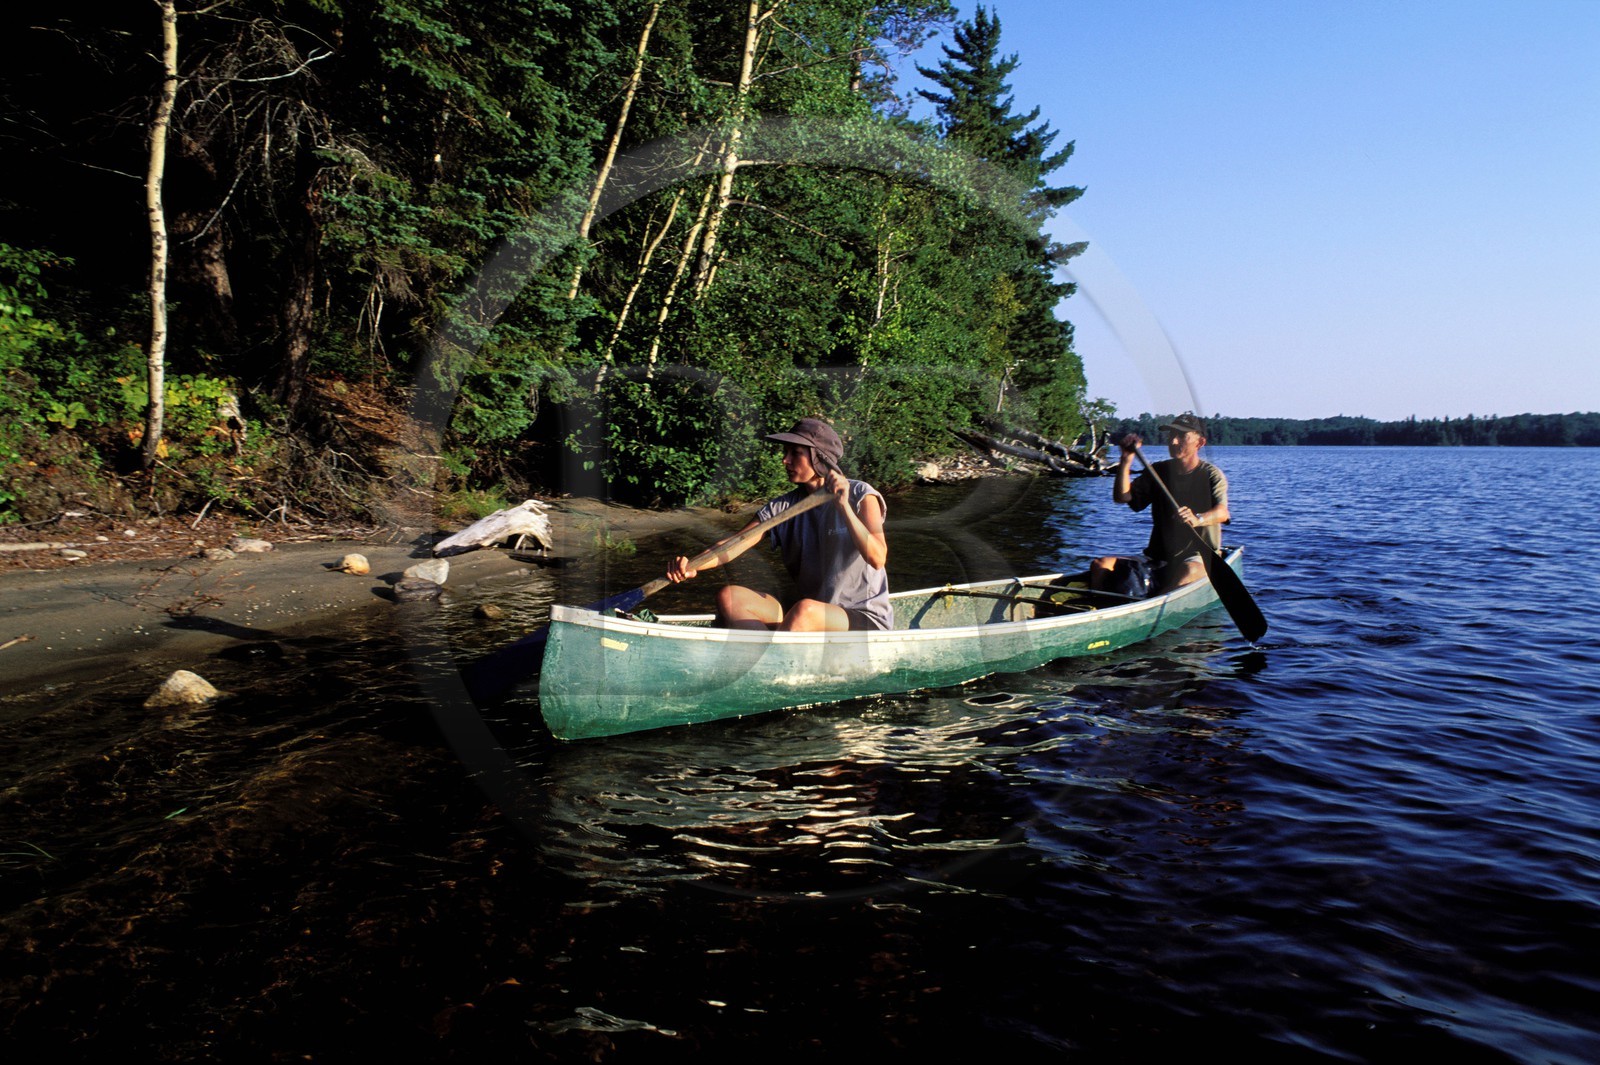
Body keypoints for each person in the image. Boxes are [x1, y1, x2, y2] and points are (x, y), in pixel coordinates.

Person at [665, 417, 893, 631]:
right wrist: (693, 565)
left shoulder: (860, 495)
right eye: (786, 452)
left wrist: (843, 506)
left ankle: (773, 660)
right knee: (730, 597)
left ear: (819, 458)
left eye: (796, 453)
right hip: (807, 614)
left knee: (805, 610)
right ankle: (763, 657)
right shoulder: (781, 508)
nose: (785, 460)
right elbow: (735, 544)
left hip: (863, 617)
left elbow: (877, 557)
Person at [1089, 412, 1230, 596]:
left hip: (1199, 557)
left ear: (1200, 442)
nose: (1173, 442)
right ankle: (1097, 605)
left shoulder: (1211, 474)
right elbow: (1122, 497)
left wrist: (1198, 518)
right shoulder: (1158, 471)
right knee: (1100, 565)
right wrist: (1126, 460)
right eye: (1171, 436)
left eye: (1181, 437)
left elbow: (1222, 513)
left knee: (1188, 571)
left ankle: (1153, 605)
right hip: (1158, 557)